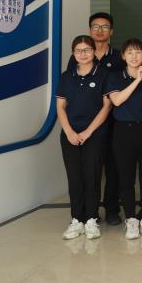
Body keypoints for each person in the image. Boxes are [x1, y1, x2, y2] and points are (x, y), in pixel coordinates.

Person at [66, 12, 122, 226]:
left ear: (111, 31)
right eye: (95, 26)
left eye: (105, 26)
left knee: (113, 168)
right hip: (84, 125)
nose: (100, 30)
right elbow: (71, 88)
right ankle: (90, 213)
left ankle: (112, 209)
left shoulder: (118, 57)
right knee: (88, 171)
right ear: (90, 30)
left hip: (113, 121)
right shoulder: (78, 57)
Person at [56, 35, 112, 240]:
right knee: (75, 178)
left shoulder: (104, 75)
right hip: (70, 135)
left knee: (92, 176)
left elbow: (107, 106)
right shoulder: (66, 76)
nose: (83, 54)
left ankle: (91, 219)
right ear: (73, 53)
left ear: (94, 52)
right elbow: (60, 107)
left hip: (94, 135)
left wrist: (88, 132)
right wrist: (69, 132)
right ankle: (76, 220)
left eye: (87, 50)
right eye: (78, 51)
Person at [105, 38, 142, 240]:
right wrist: (138, 80)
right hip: (123, 132)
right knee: (126, 177)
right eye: (130, 52)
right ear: (123, 56)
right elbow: (117, 100)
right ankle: (130, 218)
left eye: (138, 52)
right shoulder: (115, 77)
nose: (134, 56)